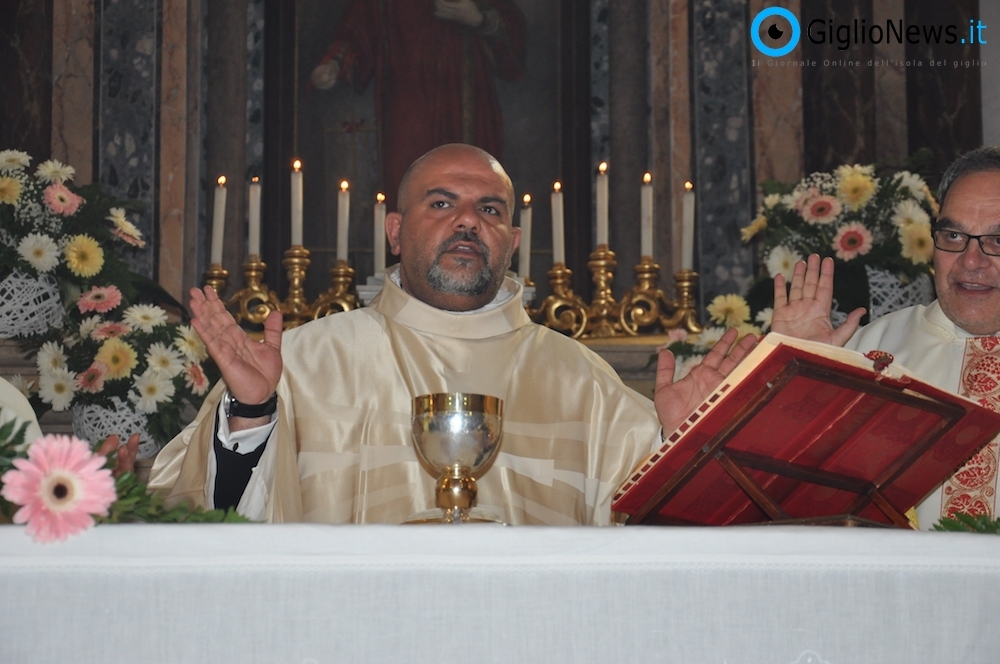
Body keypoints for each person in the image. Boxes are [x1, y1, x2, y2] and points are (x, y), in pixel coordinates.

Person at [148, 143, 755, 525]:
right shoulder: (305, 361)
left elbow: (661, 547)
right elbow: (192, 514)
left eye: (490, 210)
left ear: (513, 243)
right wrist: (251, 415)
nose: (468, 219)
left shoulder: (582, 381)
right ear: (394, 231)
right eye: (441, 204)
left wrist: (680, 448)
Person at [771, 146, 1000, 530]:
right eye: (953, 234)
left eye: (998, 240)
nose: (971, 261)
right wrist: (795, 377)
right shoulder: (867, 353)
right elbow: (783, 496)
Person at [310, 0, 526, 210]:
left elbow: (511, 29)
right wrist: (335, 63)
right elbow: (359, 26)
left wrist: (480, 19)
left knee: (471, 184)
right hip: (408, 105)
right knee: (410, 187)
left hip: (466, 102)